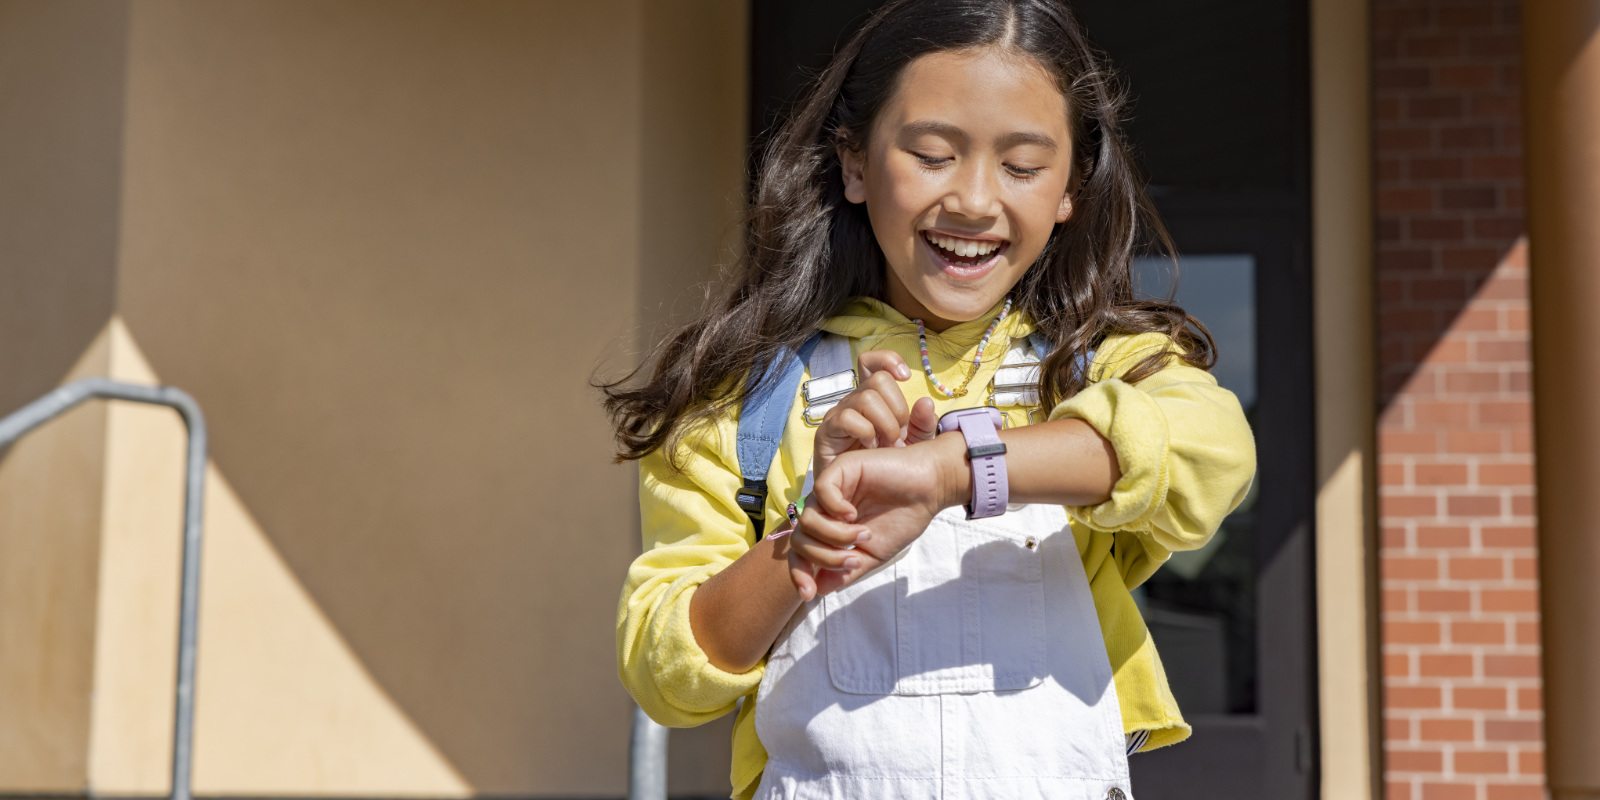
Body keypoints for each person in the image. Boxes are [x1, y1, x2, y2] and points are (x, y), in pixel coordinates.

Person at [603, 0, 1256, 797]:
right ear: (852, 161)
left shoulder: (1095, 367)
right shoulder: (745, 398)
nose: (976, 202)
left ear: (1069, 192)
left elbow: (1211, 448)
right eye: (933, 155)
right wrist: (806, 544)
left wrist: (953, 471)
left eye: (1021, 167)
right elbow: (664, 673)